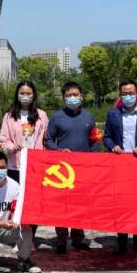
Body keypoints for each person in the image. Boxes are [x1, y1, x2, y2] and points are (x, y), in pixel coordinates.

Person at [45, 81, 102, 256]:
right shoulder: (56, 117)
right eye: (68, 95)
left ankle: (78, 240)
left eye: (75, 95)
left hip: (84, 169)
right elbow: (48, 140)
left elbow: (94, 140)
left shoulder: (89, 117)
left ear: (81, 97)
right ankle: (61, 241)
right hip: (63, 170)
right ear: (63, 98)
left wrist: (94, 161)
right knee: (62, 205)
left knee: (80, 205)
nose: (72, 98)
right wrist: (58, 151)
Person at [103, 78, 137, 255]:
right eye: (124, 94)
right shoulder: (113, 114)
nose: (128, 96)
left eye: (131, 93)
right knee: (122, 204)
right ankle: (122, 241)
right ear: (120, 95)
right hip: (120, 164)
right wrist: (112, 146)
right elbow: (107, 137)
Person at [0, 80, 48, 241]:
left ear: (34, 95)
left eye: (28, 93)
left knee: (33, 203)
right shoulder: (9, 116)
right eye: (22, 93)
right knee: (17, 203)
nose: (25, 96)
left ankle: (30, 238)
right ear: (17, 95)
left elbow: (46, 139)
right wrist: (12, 147)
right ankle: (17, 237)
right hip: (16, 166)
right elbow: (4, 139)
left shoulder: (41, 115)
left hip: (35, 166)